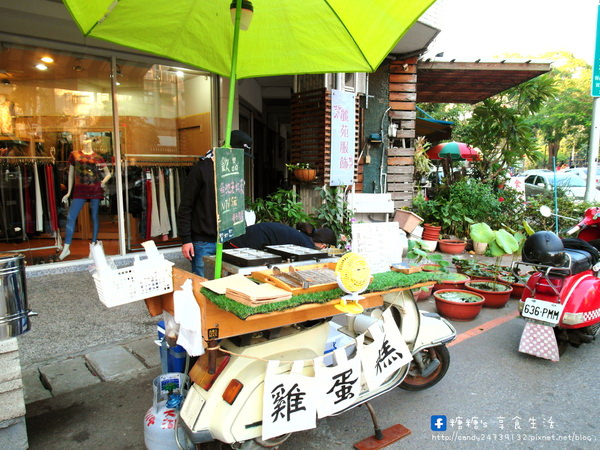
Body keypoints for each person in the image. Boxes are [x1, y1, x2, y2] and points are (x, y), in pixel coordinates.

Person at [177, 130, 252, 277]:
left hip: (229, 239)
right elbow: (186, 206)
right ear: (229, 149)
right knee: (202, 286)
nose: (240, 159)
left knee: (226, 288)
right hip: (202, 241)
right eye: (239, 153)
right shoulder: (201, 169)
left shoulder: (235, 172)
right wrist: (186, 240)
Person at [59, 135, 112, 260]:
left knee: (94, 217)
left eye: (88, 139)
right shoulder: (74, 155)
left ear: (92, 141)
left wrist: (102, 183)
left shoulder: (98, 157)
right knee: (71, 217)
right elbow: (71, 174)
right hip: (79, 190)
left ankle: (93, 248)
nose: (86, 141)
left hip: (94, 190)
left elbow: (108, 173)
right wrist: (68, 192)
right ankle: (66, 248)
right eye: (84, 138)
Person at [224, 221, 336, 250]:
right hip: (251, 239)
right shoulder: (307, 244)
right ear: (322, 242)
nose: (323, 248)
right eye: (325, 246)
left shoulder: (303, 237)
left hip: (254, 233)